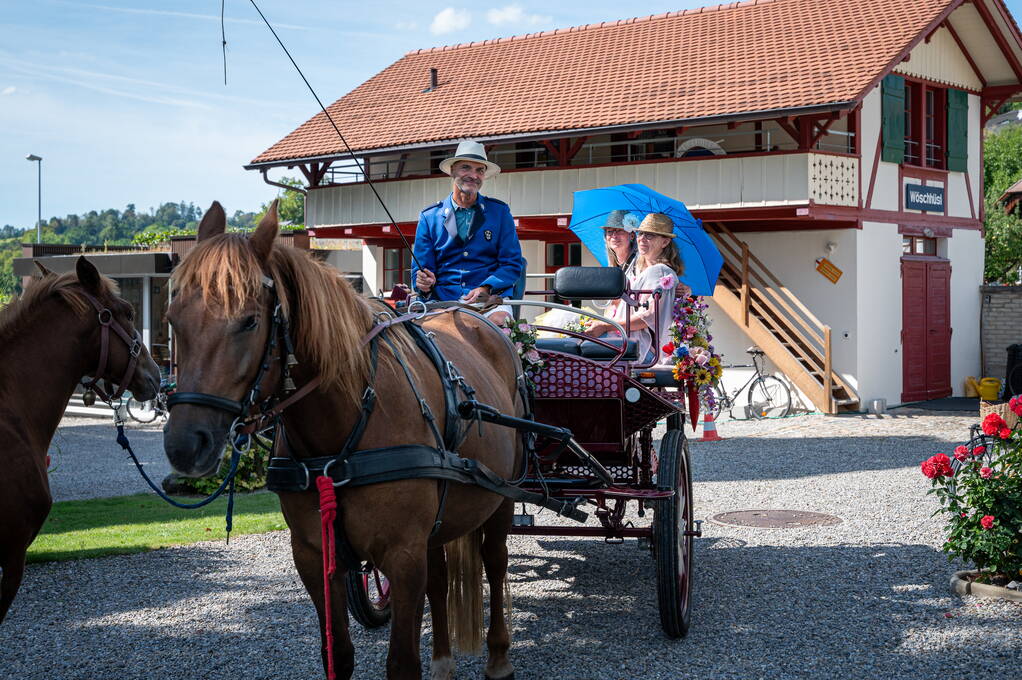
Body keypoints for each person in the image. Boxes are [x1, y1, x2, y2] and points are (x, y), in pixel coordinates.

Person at [412, 140, 522, 325]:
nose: (474, 175)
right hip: (442, 302)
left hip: (488, 301)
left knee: (499, 322)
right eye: (466, 168)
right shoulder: (429, 217)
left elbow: (511, 264)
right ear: (452, 171)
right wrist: (424, 283)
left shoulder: (500, 212)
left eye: (480, 170)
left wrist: (487, 287)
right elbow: (421, 271)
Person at [585, 213, 690, 363]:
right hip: (629, 340)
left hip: (641, 348)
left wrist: (605, 326)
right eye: (641, 233)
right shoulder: (641, 269)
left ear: (665, 242)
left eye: (650, 235)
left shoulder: (660, 271)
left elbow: (648, 317)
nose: (641, 238)